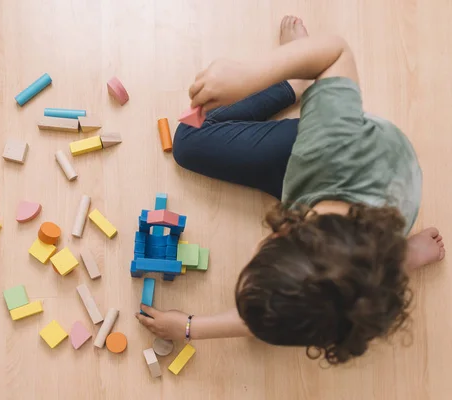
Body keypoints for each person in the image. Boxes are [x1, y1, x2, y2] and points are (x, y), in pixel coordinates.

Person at [135, 16, 445, 365]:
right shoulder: (328, 142)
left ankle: (406, 254)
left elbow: (274, 314)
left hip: (368, 215)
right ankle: (293, 84)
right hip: (338, 165)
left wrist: (190, 327)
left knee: (190, 142)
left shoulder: (347, 300)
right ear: (285, 228)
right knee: (187, 141)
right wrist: (254, 74)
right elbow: (335, 52)